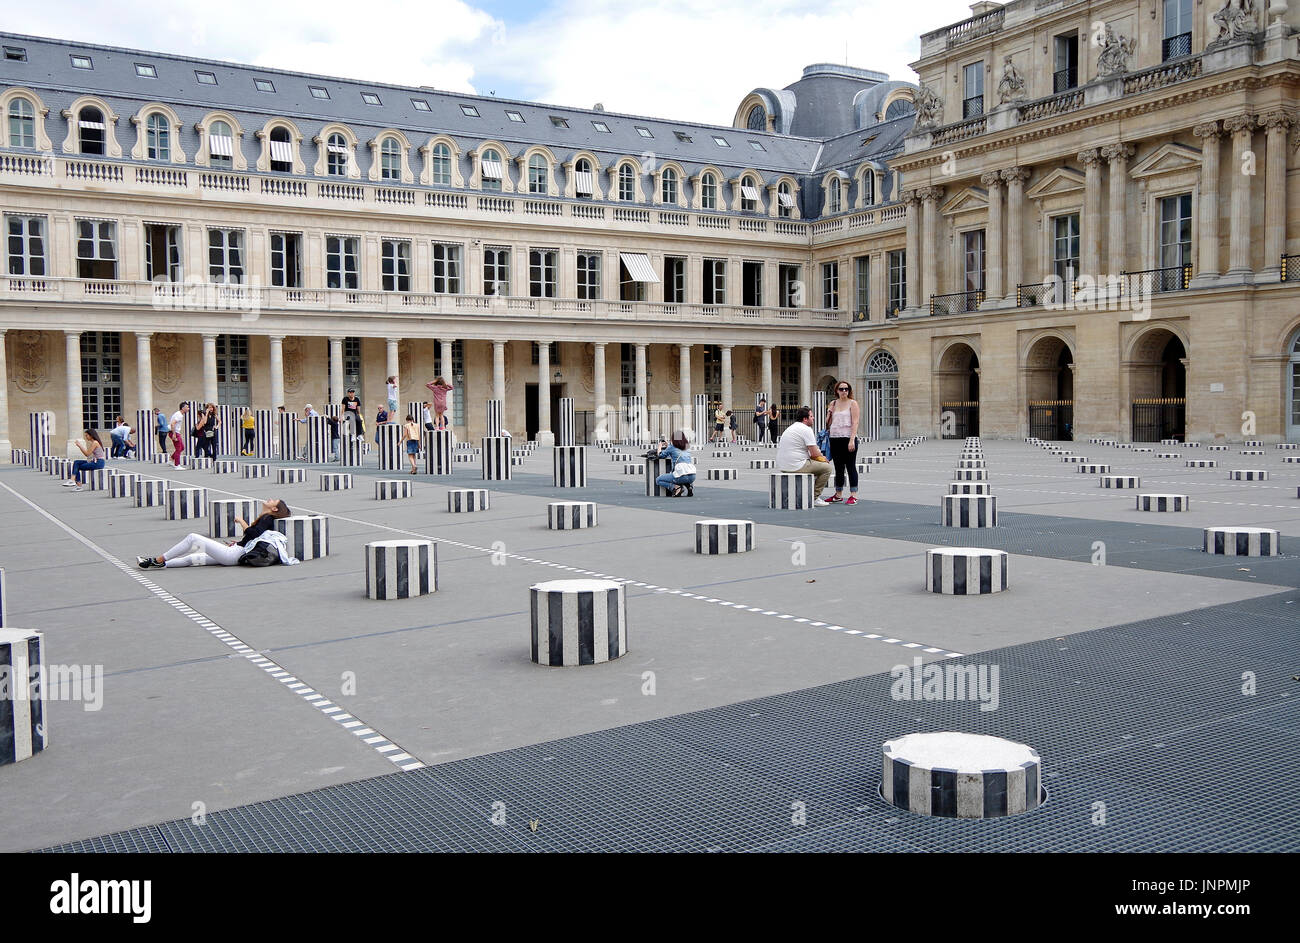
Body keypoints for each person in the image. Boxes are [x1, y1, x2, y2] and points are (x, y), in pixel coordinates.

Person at [137, 498, 296, 569]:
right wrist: (239, 543)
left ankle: (159, 560)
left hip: (233, 555)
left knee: (193, 538)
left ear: (274, 509)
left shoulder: (268, 518)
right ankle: (154, 562)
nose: (269, 499)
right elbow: (253, 539)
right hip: (235, 552)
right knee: (192, 559)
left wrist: (241, 521)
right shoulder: (266, 517)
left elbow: (254, 533)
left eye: (273, 500)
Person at [776, 406, 832, 506]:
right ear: (805, 419)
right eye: (811, 416)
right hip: (796, 465)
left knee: (816, 465)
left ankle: (804, 494)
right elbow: (814, 453)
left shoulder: (792, 427)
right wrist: (823, 458)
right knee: (826, 468)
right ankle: (814, 497)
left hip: (783, 465)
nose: (813, 418)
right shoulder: (806, 429)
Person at [824, 381, 862, 506]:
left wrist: (852, 440)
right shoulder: (833, 403)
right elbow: (828, 423)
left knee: (850, 466)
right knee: (838, 467)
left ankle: (853, 494)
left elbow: (855, 422)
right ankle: (838, 494)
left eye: (846, 389)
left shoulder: (853, 403)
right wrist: (829, 412)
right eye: (841, 389)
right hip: (834, 438)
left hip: (848, 438)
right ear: (837, 390)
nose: (844, 391)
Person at [655, 431, 697, 498]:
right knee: (683, 475)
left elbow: (661, 455)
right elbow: (677, 451)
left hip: (681, 476)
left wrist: (659, 447)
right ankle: (689, 486)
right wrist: (668, 446)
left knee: (658, 480)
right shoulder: (687, 447)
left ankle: (676, 487)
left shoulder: (671, 447)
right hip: (692, 476)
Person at [168, 402, 189, 467]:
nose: (188, 408)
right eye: (187, 407)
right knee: (178, 449)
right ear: (183, 408)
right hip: (175, 433)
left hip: (175, 432)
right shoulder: (179, 415)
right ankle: (177, 465)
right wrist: (174, 434)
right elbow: (172, 424)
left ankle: (171, 459)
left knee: (181, 447)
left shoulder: (179, 414)